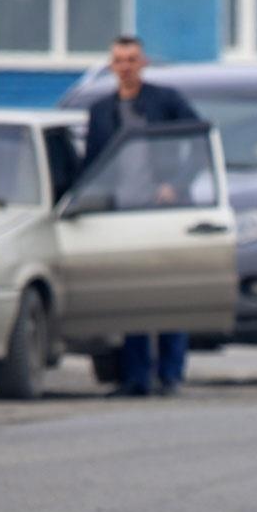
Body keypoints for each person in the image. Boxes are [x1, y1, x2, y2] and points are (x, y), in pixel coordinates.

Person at [85, 35, 200, 397]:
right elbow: (92, 165)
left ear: (143, 62)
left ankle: (170, 375)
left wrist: (176, 185)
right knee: (131, 296)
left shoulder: (166, 100)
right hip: (122, 215)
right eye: (119, 60)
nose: (126, 66)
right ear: (111, 65)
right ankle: (135, 378)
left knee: (170, 293)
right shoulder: (101, 110)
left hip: (165, 213)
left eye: (132, 59)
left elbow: (199, 143)